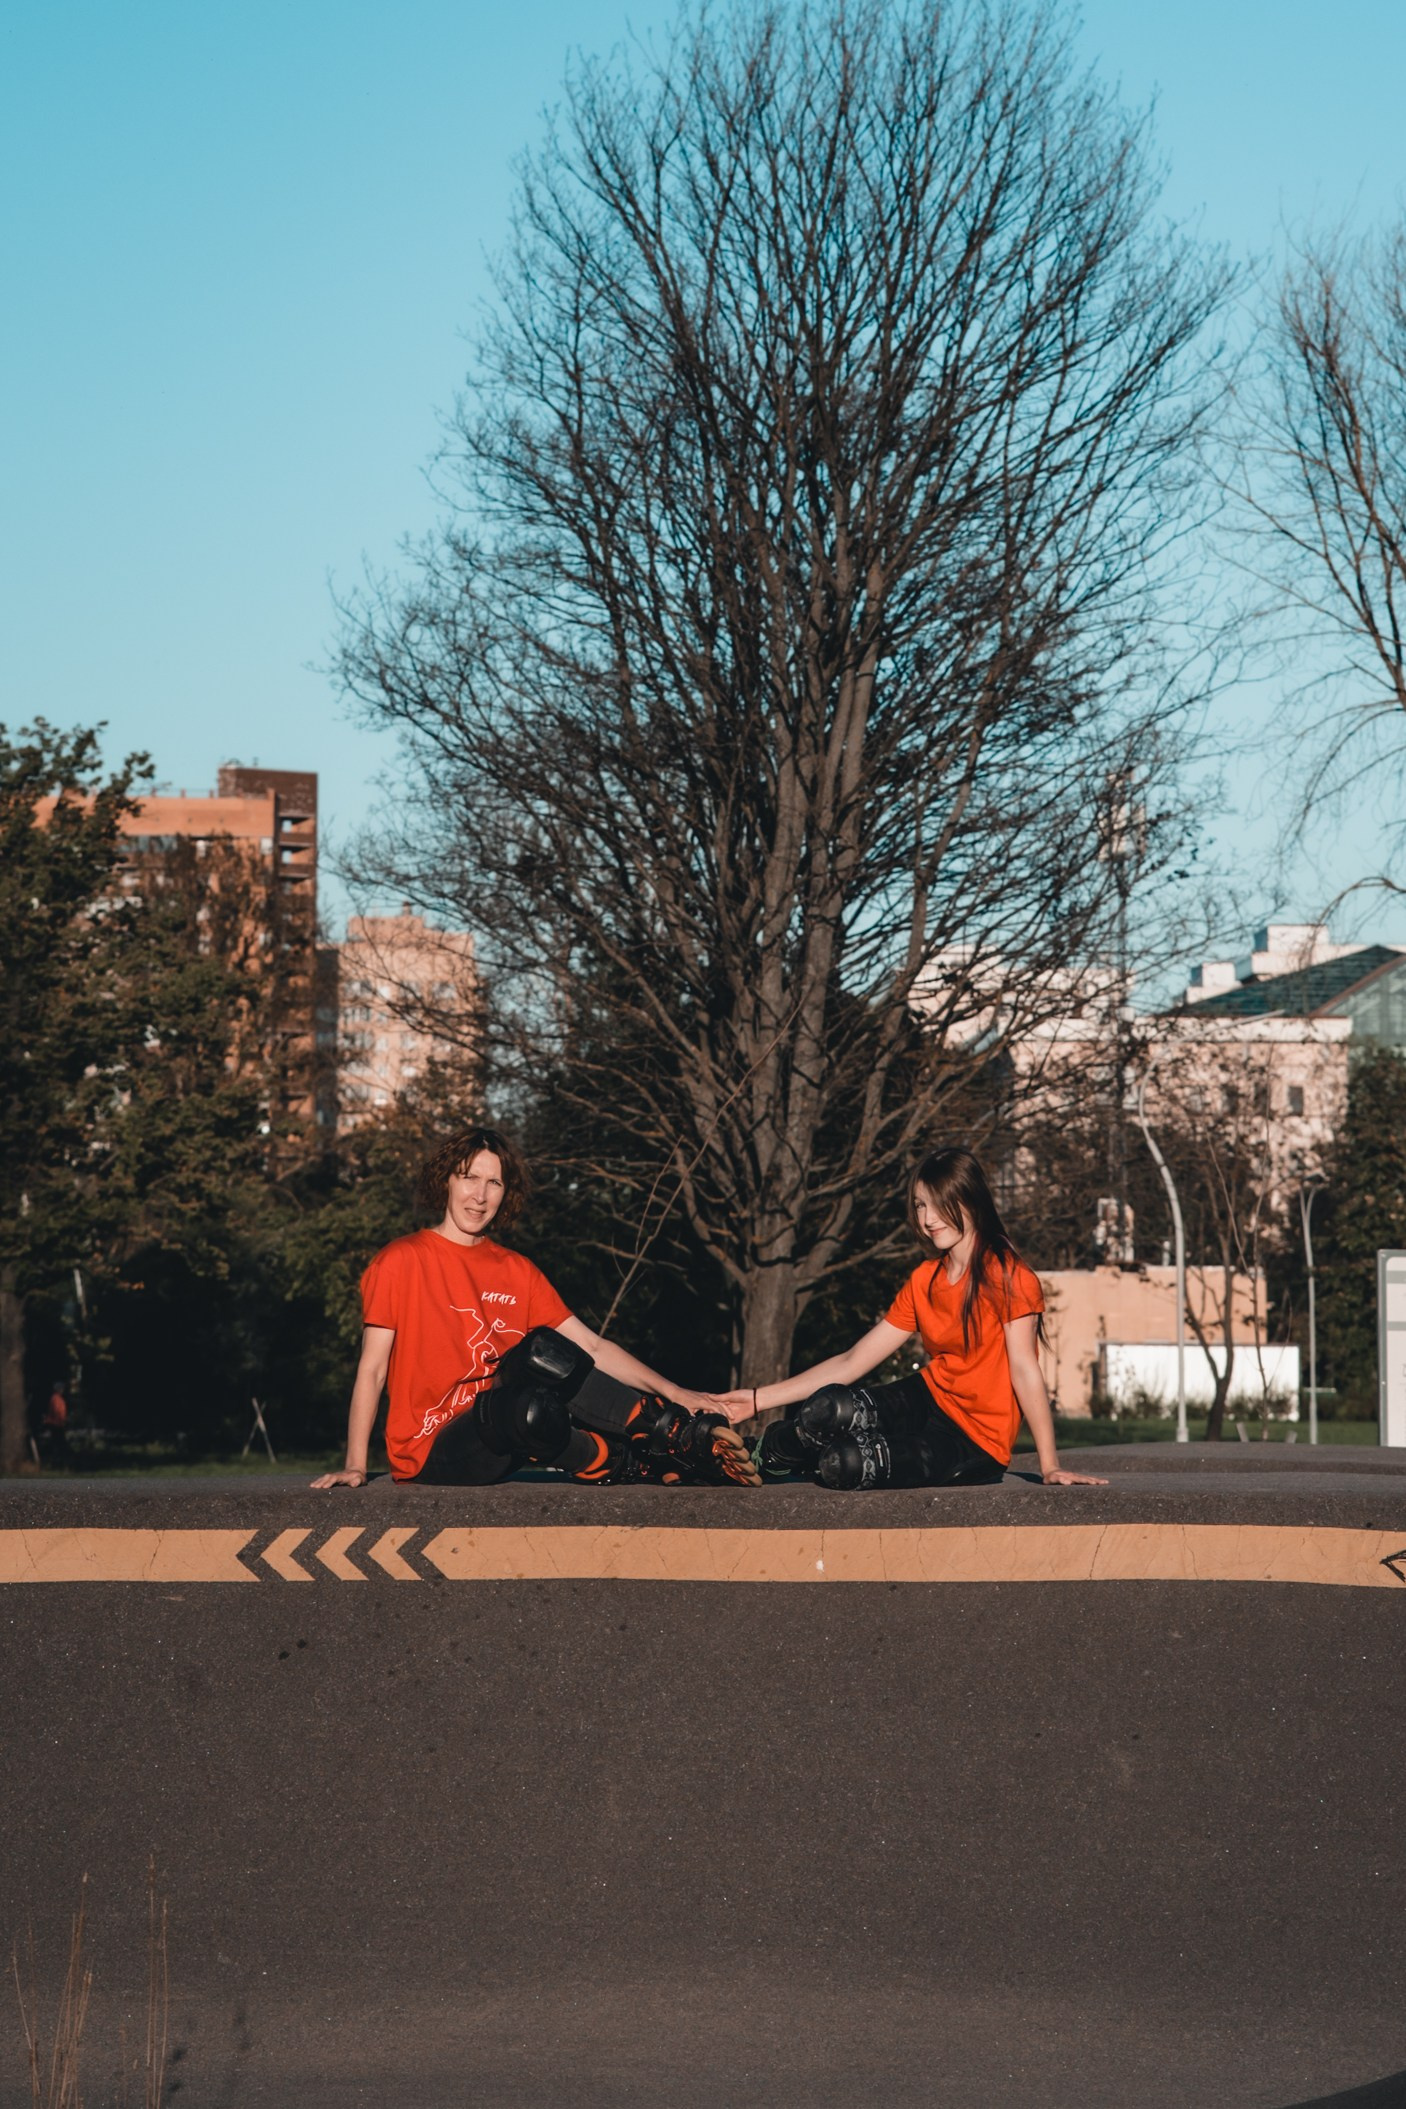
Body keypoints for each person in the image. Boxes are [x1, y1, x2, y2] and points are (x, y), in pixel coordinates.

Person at [312, 1125, 758, 1490]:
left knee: (543, 1352)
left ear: (507, 1194)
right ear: (446, 1179)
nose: (479, 1196)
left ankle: (672, 1434)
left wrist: (678, 1394)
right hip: (435, 1450)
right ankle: (614, 1461)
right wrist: (355, 1462)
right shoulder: (400, 1260)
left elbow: (592, 1347)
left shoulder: (516, 1270)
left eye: (494, 1183)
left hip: (509, 1423)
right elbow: (372, 1369)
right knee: (525, 1408)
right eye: (469, 1177)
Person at [725, 1146, 1107, 1490]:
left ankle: (799, 1459)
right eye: (921, 1205)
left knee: (849, 1463)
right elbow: (853, 1361)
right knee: (830, 1409)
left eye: (939, 1205)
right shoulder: (925, 1280)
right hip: (929, 1398)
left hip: (976, 1440)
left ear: (971, 1202)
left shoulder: (1008, 1275)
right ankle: (762, 1455)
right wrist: (756, 1400)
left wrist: (1050, 1464)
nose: (928, 1218)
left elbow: (1025, 1368)